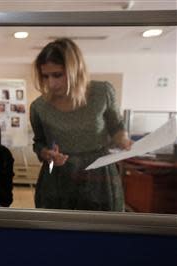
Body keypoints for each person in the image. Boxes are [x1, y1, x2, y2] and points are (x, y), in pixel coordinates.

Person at [29, 38, 132, 211]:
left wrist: (123, 140)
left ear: (75, 70)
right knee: (56, 232)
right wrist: (47, 154)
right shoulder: (39, 107)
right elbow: (39, 144)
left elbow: (116, 126)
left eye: (58, 75)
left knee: (102, 229)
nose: (51, 83)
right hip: (58, 179)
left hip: (99, 177)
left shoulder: (102, 92)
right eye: (45, 76)